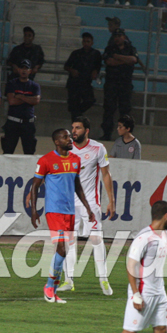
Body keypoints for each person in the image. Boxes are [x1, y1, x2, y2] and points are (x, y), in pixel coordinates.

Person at [108, 200, 167, 333]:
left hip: (159, 292)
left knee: (161, 329)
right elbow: (131, 266)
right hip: (144, 292)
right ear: (166, 216)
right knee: (129, 332)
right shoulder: (144, 237)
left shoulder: (162, 235)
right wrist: (136, 294)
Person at [30, 128, 96, 304]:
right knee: (61, 248)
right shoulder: (46, 160)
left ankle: (54, 289)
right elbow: (35, 185)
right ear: (57, 142)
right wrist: (34, 211)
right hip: (54, 211)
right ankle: (49, 287)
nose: (70, 139)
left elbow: (78, 186)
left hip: (70, 211)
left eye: (69, 136)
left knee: (64, 251)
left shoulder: (75, 160)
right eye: (66, 137)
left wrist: (88, 208)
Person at [58, 116, 116, 295]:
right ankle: (68, 280)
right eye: (72, 128)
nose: (73, 131)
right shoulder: (66, 148)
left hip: (90, 202)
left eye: (78, 128)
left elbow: (106, 174)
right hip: (69, 202)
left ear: (87, 131)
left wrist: (111, 200)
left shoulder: (98, 148)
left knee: (96, 239)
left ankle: (104, 280)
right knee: (69, 240)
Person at [101, 28, 138, 141]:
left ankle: (125, 135)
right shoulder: (109, 48)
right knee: (109, 109)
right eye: (115, 36)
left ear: (124, 37)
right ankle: (107, 133)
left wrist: (118, 57)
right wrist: (125, 61)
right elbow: (109, 62)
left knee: (125, 110)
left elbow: (133, 60)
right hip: (112, 83)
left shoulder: (130, 49)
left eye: (119, 36)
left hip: (125, 84)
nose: (117, 38)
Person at [1, 59, 41, 155]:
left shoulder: (35, 86)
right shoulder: (12, 83)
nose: (24, 70)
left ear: (30, 71)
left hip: (28, 124)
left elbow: (36, 101)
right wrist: (28, 99)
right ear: (18, 70)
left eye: (26, 68)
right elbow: (12, 101)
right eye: (22, 68)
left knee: (29, 153)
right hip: (13, 123)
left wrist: (20, 96)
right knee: (7, 152)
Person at [64, 33, 103, 122]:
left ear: (92, 42)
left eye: (88, 41)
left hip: (85, 83)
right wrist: (72, 70)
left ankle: (78, 112)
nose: (86, 43)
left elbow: (98, 66)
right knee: (73, 105)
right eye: (84, 41)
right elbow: (66, 66)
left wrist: (95, 72)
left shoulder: (96, 54)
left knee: (89, 100)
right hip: (74, 83)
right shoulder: (76, 53)